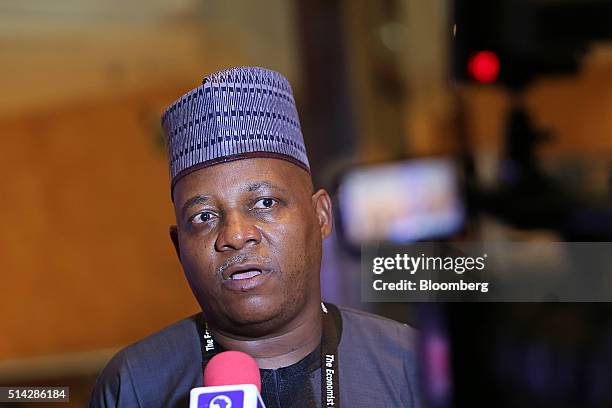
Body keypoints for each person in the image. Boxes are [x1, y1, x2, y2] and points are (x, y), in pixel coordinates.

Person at [89, 66, 421, 407]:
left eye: (265, 203)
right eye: (204, 217)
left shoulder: (409, 366)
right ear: (179, 247)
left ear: (321, 216)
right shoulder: (134, 386)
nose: (234, 235)